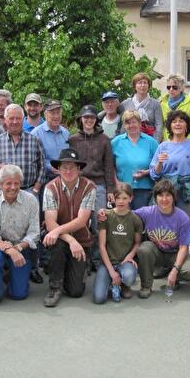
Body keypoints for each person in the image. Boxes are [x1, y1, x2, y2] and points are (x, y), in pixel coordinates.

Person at [0, 165, 40, 308]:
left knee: (19, 294)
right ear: (0, 185)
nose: (13, 187)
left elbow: (34, 233)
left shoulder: (31, 200)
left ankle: (10, 276)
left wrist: (18, 248)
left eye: (16, 183)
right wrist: (10, 250)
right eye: (8, 183)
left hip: (22, 247)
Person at [41, 149, 96, 307]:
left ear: (79, 169)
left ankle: (72, 269)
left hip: (81, 240)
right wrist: (70, 240)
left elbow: (81, 220)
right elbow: (50, 222)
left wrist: (61, 233)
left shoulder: (89, 187)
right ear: (58, 169)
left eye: (72, 167)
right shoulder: (50, 187)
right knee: (55, 243)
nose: (68, 171)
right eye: (64, 167)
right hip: (62, 240)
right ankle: (55, 287)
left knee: (76, 291)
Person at [134, 179, 190, 298]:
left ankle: (174, 277)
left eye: (168, 195)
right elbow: (126, 214)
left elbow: (184, 247)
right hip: (157, 252)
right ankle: (146, 285)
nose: (164, 199)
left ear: (174, 197)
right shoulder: (148, 212)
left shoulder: (182, 218)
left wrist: (175, 270)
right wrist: (106, 213)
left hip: (175, 253)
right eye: (160, 195)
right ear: (155, 198)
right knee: (144, 248)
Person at [69, 104, 115, 267]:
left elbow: (109, 166)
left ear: (96, 120)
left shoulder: (104, 140)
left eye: (92, 117)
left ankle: (96, 258)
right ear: (81, 120)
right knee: (79, 223)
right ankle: (82, 259)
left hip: (99, 185)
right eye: (86, 117)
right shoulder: (73, 139)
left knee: (98, 224)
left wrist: (111, 189)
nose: (89, 120)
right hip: (79, 185)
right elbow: (70, 165)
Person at [150, 110, 190, 220]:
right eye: (174, 121)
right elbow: (154, 174)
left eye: (181, 121)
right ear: (170, 126)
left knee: (184, 223)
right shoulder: (163, 146)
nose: (177, 124)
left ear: (186, 126)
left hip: (187, 192)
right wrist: (159, 163)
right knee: (164, 223)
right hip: (166, 191)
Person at [93, 183, 142, 304]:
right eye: (118, 198)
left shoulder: (135, 219)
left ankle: (124, 284)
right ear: (113, 199)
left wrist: (130, 256)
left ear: (131, 198)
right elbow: (102, 245)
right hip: (107, 263)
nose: (121, 201)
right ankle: (112, 280)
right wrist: (111, 272)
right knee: (99, 299)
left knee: (129, 276)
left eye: (125, 198)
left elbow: (137, 243)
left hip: (124, 262)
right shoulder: (106, 216)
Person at [0, 104, 45, 197]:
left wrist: (36, 189)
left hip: (29, 191)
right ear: (6, 120)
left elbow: (42, 166)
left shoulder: (34, 140)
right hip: (4, 193)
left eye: (18, 118)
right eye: (11, 118)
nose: (15, 122)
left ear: (23, 120)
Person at [111, 110, 158, 210]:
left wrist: (146, 172)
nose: (131, 125)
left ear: (140, 123)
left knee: (141, 221)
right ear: (124, 125)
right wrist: (116, 183)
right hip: (122, 190)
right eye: (128, 123)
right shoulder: (116, 142)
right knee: (123, 221)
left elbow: (160, 166)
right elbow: (110, 166)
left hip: (144, 189)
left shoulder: (151, 142)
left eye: (134, 122)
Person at [31, 99, 70, 183]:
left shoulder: (66, 133)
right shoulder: (36, 133)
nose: (56, 116)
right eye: (52, 113)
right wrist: (50, 167)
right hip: (45, 179)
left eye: (58, 112)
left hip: (65, 177)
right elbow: (33, 158)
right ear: (45, 114)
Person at [121, 72, 163, 141]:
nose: (142, 85)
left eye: (145, 83)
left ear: (149, 86)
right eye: (140, 83)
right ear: (134, 86)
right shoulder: (126, 103)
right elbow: (113, 111)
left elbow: (159, 125)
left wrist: (155, 143)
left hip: (149, 141)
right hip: (128, 141)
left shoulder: (156, 104)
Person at [160, 74, 190, 140]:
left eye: (174, 87)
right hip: (168, 142)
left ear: (181, 88)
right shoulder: (162, 102)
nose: (171, 89)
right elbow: (161, 125)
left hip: (185, 142)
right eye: (168, 87)